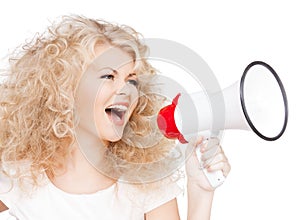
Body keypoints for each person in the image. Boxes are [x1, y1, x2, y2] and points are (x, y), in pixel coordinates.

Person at [0, 15, 231, 219]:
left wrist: (201, 193)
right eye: (108, 76)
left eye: (131, 80)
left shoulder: (146, 181)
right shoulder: (20, 176)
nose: (126, 90)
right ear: (66, 89)